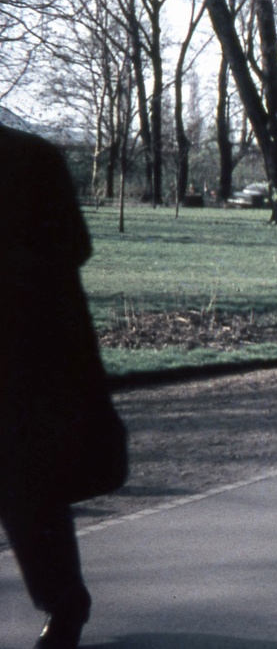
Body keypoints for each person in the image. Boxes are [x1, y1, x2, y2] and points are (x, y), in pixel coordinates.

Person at [2, 124, 128, 649]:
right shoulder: (34, 155)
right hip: (33, 350)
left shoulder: (30, 157)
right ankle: (64, 603)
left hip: (25, 352)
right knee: (30, 488)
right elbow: (76, 244)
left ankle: (64, 603)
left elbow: (70, 247)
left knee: (28, 485)